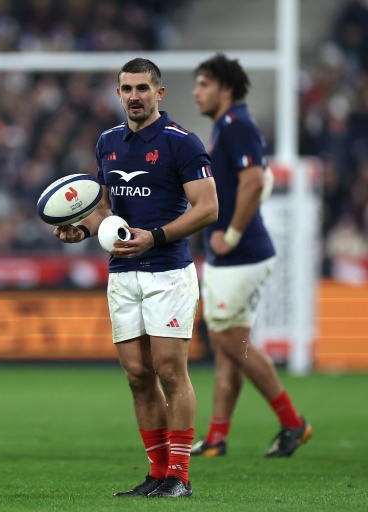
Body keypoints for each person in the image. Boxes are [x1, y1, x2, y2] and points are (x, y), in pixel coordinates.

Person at [54, 58, 218, 498]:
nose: (134, 96)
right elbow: (105, 211)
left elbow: (208, 208)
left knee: (169, 370)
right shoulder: (108, 143)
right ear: (118, 92)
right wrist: (82, 229)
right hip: (123, 273)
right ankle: (157, 473)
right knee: (137, 375)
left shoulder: (182, 143)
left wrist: (156, 236)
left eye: (142, 88)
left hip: (168, 271)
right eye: (126, 88)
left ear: (159, 93)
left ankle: (180, 476)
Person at [190, 53, 312, 458]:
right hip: (238, 256)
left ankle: (293, 422)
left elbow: (255, 181)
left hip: (241, 254)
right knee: (230, 347)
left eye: (203, 84)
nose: (196, 92)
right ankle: (218, 437)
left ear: (225, 88)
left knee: (230, 340)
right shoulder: (229, 128)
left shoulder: (236, 125)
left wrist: (233, 232)